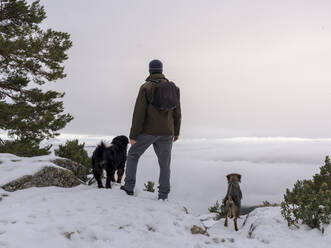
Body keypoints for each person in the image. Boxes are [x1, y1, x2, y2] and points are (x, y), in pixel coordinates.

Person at [121, 59, 181, 200]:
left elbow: (139, 113)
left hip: (148, 131)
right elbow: (177, 113)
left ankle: (129, 187)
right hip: (167, 132)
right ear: (161, 70)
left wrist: (133, 135)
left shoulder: (146, 87)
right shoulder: (174, 88)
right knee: (165, 164)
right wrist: (176, 132)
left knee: (133, 155)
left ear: (150, 70)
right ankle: (163, 195)